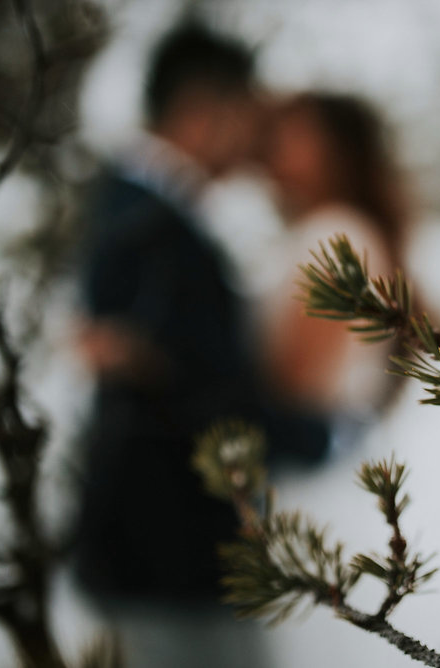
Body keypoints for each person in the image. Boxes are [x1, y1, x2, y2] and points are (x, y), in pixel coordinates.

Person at [72, 23, 324, 667]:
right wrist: (320, 434)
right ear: (202, 111)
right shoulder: (147, 228)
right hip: (168, 560)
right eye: (245, 113)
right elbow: (197, 391)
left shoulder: (148, 214)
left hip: (160, 554)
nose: (252, 137)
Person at [258, 92, 413, 430]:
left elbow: (299, 382)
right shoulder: (333, 231)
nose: (273, 146)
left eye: (294, 135)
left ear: (337, 153)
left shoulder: (336, 235)